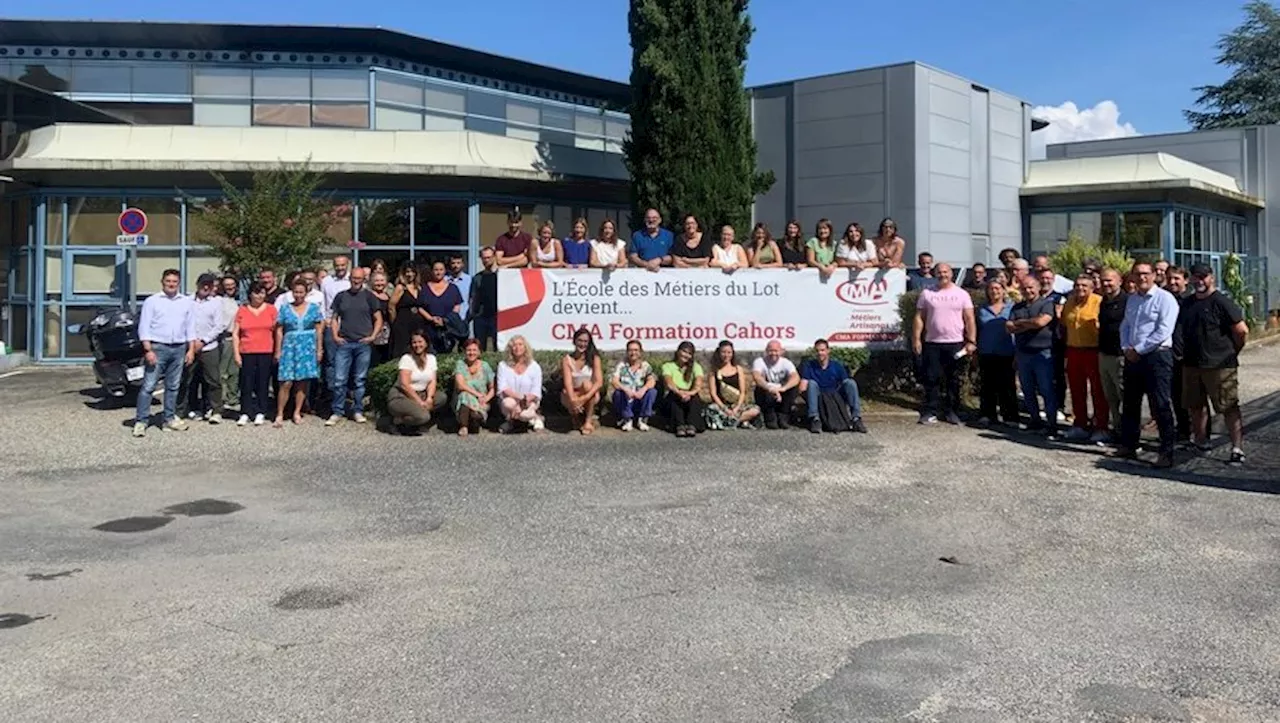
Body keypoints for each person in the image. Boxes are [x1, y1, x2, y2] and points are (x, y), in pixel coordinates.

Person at [1180, 263, 1249, 465]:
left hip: (1220, 365)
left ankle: (1237, 448)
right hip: (1192, 363)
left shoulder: (1222, 302)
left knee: (1228, 407)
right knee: (1195, 406)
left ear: (1212, 278)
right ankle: (1201, 442)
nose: (1199, 281)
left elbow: (1242, 331)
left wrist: (1232, 353)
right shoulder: (1187, 303)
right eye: (1196, 277)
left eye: (1204, 277)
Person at [1116, 262, 1180, 467]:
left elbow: (1164, 330)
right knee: (1130, 403)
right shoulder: (1133, 299)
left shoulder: (1165, 299)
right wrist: (1126, 347)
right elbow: (1125, 326)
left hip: (1157, 357)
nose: (1142, 277)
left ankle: (1166, 452)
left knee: (1160, 405)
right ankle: (1129, 445)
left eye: (1146, 273)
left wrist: (1139, 349)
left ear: (1154, 275)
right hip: (1133, 356)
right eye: (1138, 274)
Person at [132, 269, 196, 437]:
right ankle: (141, 421)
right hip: (158, 347)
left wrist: (191, 350)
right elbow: (144, 327)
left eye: (174, 281)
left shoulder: (186, 302)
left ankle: (168, 418)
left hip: (179, 348)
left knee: (173, 386)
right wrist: (148, 349)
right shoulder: (152, 301)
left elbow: (191, 327)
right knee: (148, 386)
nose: (171, 284)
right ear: (162, 282)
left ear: (179, 283)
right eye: (168, 281)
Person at [912, 263, 976, 425]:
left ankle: (952, 412)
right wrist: (916, 339)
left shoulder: (962, 294)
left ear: (951, 274)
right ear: (935, 274)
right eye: (939, 272)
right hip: (932, 343)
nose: (942, 275)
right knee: (931, 378)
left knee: (953, 379)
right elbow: (919, 318)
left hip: (955, 343)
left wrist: (971, 340)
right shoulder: (927, 294)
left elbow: (969, 319)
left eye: (945, 272)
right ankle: (930, 411)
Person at [327, 267, 383, 426]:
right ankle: (337, 411)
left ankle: (358, 410)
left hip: (362, 343)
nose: (356, 281)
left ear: (363, 280)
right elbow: (334, 318)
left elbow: (378, 318)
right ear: (350, 279)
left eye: (359, 278)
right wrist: (335, 336)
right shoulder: (341, 297)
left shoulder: (369, 297)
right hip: (344, 343)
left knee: (359, 380)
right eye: (354, 278)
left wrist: (373, 336)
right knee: (339, 379)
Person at [1007, 275, 1060, 439]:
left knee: (1046, 390)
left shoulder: (1047, 304)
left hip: (1043, 353)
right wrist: (1029, 324)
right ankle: (1035, 420)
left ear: (1037, 288)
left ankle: (1052, 424)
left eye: (1031, 287)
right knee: (1027, 390)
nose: (1028, 290)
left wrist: (1020, 324)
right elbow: (1009, 327)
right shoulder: (1017, 307)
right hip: (1023, 353)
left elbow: (1041, 323)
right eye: (1024, 288)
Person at [1060, 274, 1109, 442]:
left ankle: (1101, 426)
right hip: (1074, 350)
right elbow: (1065, 324)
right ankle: (1080, 423)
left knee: (1098, 390)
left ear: (1092, 287)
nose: (1080, 288)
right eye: (1077, 285)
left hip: (1093, 350)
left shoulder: (1099, 302)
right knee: (1076, 389)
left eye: (1084, 286)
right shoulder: (1069, 302)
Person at [273, 278, 324, 427]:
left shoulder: (314, 308)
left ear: (306, 293)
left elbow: (319, 330)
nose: (298, 295)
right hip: (289, 346)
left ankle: (297, 411)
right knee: (286, 382)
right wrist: (278, 350)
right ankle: (280, 413)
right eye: (296, 292)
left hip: (307, 345)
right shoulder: (285, 308)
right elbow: (279, 330)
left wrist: (319, 349)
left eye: (301, 292)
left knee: (302, 382)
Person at [178, 273, 228, 424]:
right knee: (187, 379)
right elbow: (183, 322)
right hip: (190, 346)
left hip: (209, 346)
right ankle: (182, 410)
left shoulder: (216, 303)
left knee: (213, 380)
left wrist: (204, 340)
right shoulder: (186, 301)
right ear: (197, 284)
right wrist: (192, 342)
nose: (206, 287)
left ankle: (216, 410)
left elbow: (220, 325)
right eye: (203, 284)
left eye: (209, 285)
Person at [232, 282, 278, 427]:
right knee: (246, 383)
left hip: (266, 351)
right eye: (256, 293)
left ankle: (260, 411)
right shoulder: (242, 310)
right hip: (247, 351)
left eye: (262, 293)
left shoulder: (271, 310)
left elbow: (277, 332)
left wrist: (278, 351)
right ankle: (245, 412)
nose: (259, 296)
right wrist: (236, 354)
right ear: (250, 294)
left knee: (263, 383)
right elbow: (235, 334)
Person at [800, 338, 867, 433]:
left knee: (850, 383)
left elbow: (845, 384)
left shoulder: (837, 366)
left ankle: (856, 418)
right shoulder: (809, 366)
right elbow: (802, 386)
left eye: (822, 350)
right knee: (811, 384)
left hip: (834, 396)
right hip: (818, 396)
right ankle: (815, 419)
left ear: (828, 351)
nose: (820, 353)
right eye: (817, 351)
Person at [386, 330, 446, 435]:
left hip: (421, 393)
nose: (417, 345)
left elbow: (432, 381)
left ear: (426, 343)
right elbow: (404, 385)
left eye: (420, 342)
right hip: (402, 395)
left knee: (441, 397)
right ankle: (397, 422)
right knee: (424, 416)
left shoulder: (431, 358)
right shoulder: (407, 359)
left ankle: (415, 420)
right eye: (414, 342)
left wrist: (429, 398)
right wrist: (420, 402)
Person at [976, 279, 1018, 427]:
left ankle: (1010, 416)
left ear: (1003, 290)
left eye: (998, 288)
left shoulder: (1012, 308)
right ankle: (987, 414)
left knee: (1007, 385)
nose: (995, 291)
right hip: (986, 351)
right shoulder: (981, 309)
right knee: (987, 386)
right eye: (991, 289)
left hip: (1007, 351)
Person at [1095, 268, 1128, 443]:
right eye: (1103, 280)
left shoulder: (1127, 301)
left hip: (1119, 356)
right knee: (1111, 397)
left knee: (1124, 396)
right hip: (1104, 354)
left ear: (1119, 281)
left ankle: (1129, 434)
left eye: (1109, 280)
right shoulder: (1103, 302)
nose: (1106, 284)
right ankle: (1117, 429)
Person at [319, 255, 352, 415]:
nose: (340, 268)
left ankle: (347, 396)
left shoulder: (352, 280)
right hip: (331, 324)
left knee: (349, 359)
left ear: (347, 265)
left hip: (349, 325)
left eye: (342, 265)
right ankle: (332, 395)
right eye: (337, 265)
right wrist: (326, 320)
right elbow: (325, 302)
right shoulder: (326, 281)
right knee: (331, 362)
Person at [704, 340, 760, 430]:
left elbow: (742, 392)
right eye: (723, 352)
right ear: (719, 353)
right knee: (711, 410)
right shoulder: (713, 371)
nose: (726, 355)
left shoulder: (738, 369)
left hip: (737, 405)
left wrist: (737, 408)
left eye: (729, 352)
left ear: (732, 353)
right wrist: (724, 409)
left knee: (755, 410)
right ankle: (740, 422)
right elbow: (713, 394)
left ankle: (728, 422)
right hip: (721, 406)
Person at [1039, 266, 1069, 424]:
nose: (1045, 281)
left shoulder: (1059, 298)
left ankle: (1059, 406)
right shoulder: (1034, 296)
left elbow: (1061, 318)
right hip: (1038, 342)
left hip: (1055, 341)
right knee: (1042, 377)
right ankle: (1046, 406)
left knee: (1057, 376)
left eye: (1048, 278)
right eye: (1042, 278)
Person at [1166, 265, 1194, 442]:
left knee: (1194, 398)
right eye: (1170, 278)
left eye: (1177, 278)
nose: (1172, 282)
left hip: (1190, 355)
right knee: (1175, 396)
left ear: (1185, 280)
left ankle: (1200, 433)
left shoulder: (1191, 301)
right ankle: (1182, 430)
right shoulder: (1164, 298)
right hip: (1170, 354)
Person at [497, 335, 545, 433]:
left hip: (529, 401)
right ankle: (512, 421)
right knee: (508, 404)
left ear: (525, 347)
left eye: (520, 344)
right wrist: (519, 400)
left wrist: (524, 401)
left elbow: (536, 391)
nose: (517, 347)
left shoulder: (534, 366)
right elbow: (503, 388)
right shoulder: (503, 365)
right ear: (510, 349)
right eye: (514, 345)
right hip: (510, 401)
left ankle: (536, 417)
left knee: (525, 415)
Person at [561, 327, 604, 435]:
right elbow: (568, 383)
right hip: (573, 393)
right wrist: (573, 400)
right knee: (568, 393)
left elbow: (599, 382)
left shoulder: (594, 358)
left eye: (585, 342)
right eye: (580, 340)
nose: (582, 344)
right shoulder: (567, 359)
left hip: (590, 393)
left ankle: (588, 421)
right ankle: (575, 417)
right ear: (574, 341)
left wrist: (584, 398)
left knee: (587, 385)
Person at [751, 340, 801, 429]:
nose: (773, 353)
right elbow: (757, 377)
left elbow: (795, 377)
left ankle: (783, 416)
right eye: (771, 350)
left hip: (782, 392)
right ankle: (770, 417)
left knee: (794, 387)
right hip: (767, 392)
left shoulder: (786, 363)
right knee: (760, 387)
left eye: (776, 351)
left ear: (781, 351)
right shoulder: (759, 361)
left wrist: (784, 388)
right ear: (766, 351)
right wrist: (770, 388)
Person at [419, 260, 466, 353]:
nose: (438, 272)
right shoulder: (424, 288)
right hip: (428, 328)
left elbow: (457, 306)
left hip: (447, 329)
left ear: (445, 271)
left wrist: (445, 321)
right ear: (432, 271)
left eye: (441, 269)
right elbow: (419, 307)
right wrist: (431, 318)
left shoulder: (453, 288)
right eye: (436, 270)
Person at [661, 341, 706, 438]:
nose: (686, 355)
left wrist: (690, 393)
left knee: (695, 398)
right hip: (675, 392)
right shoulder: (668, 366)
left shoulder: (696, 366)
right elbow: (669, 382)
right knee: (674, 398)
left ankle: (692, 425)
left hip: (690, 393)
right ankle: (679, 426)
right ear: (678, 352)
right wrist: (679, 392)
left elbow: (698, 384)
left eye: (689, 353)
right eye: (684, 351)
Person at [611, 339, 657, 432]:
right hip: (626, 401)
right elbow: (614, 381)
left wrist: (643, 390)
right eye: (630, 350)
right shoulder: (621, 365)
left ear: (640, 352)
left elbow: (652, 381)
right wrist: (625, 389)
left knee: (652, 391)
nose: (633, 353)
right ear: (627, 352)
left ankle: (642, 419)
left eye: (636, 350)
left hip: (639, 399)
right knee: (618, 392)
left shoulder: (645, 366)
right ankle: (627, 419)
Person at [453, 338, 495, 437]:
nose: (471, 353)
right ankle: (464, 426)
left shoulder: (485, 366)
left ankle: (475, 420)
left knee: (475, 420)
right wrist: (477, 394)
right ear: (464, 351)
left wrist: (486, 398)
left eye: (474, 350)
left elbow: (493, 387)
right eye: (469, 350)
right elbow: (460, 385)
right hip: (463, 399)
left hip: (481, 401)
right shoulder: (460, 364)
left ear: (479, 352)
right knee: (464, 395)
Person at [388, 263, 424, 358]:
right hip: (403, 323)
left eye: (412, 272)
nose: (410, 274)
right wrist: (394, 322)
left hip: (417, 324)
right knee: (402, 350)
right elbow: (391, 306)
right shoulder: (400, 288)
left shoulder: (419, 288)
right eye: (407, 272)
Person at [217, 275, 241, 412]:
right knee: (222, 371)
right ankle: (222, 399)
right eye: (227, 284)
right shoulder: (220, 301)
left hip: (237, 339)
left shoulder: (237, 301)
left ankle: (232, 398)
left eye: (232, 284)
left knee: (234, 371)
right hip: (225, 338)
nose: (230, 287)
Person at [469, 248, 499, 351]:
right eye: (484, 258)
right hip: (480, 317)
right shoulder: (477, 278)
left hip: (497, 316)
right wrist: (472, 313)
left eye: (488, 257)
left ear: (494, 257)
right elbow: (473, 297)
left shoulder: (501, 276)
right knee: (480, 348)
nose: (486, 260)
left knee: (498, 347)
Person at [368, 271, 393, 367]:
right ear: (372, 282)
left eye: (382, 280)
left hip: (387, 333)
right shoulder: (368, 296)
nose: (379, 283)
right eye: (377, 281)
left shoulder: (388, 296)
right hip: (373, 331)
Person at [446, 254, 472, 324]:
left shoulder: (469, 280)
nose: (456, 266)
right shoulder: (445, 280)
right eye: (453, 263)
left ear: (463, 264)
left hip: (463, 318)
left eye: (458, 263)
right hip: (447, 319)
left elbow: (472, 299)